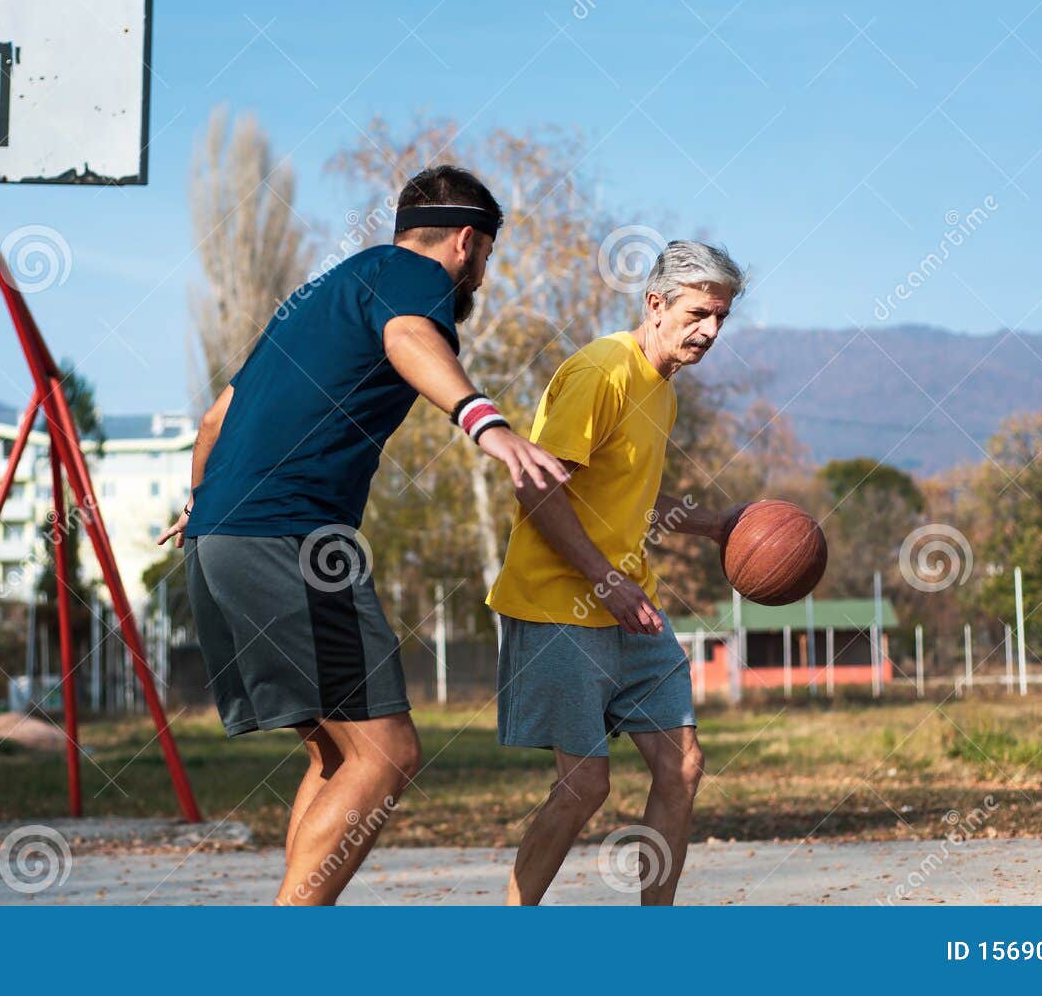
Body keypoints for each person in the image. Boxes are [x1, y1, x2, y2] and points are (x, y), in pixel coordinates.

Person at [157, 165, 567, 905]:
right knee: (388, 751)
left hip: (219, 537)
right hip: (292, 537)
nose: (480, 272)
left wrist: (203, 507)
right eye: (487, 257)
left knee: (335, 751)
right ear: (467, 243)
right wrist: (485, 421)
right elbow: (409, 335)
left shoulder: (323, 292)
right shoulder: (415, 281)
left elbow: (217, 418)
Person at [486, 239, 747, 905]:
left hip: (632, 606)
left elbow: (625, 495)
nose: (710, 331)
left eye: (721, 317)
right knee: (584, 787)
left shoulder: (662, 391)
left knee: (681, 766)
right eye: (697, 314)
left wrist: (712, 523)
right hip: (559, 607)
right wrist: (605, 579)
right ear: (655, 304)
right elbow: (537, 488)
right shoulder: (603, 372)